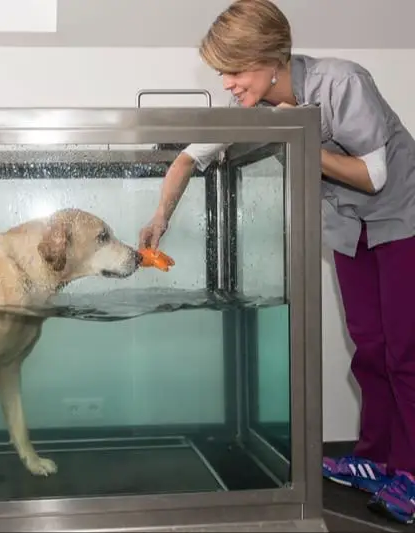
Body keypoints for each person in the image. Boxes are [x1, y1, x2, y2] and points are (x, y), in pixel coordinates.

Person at [139, 0, 415, 524]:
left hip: (403, 219)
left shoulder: (343, 83)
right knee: (370, 347)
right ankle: (376, 457)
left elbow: (373, 176)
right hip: (350, 229)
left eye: (234, 71)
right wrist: (159, 219)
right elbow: (188, 158)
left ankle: (413, 472)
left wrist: (300, 131)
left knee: (407, 352)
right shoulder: (257, 104)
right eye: (223, 72)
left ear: (271, 59)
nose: (227, 84)